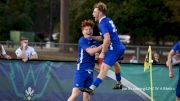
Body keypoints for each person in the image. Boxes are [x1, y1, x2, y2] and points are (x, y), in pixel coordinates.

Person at [80, 2, 125, 95]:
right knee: (116, 64)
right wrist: (91, 37)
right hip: (118, 47)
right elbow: (103, 38)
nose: (93, 13)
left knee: (103, 68)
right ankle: (119, 83)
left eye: (94, 11)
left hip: (114, 49)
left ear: (100, 12)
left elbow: (107, 39)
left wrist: (103, 53)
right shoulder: (107, 20)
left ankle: (91, 88)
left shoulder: (102, 23)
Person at [67, 20, 102, 101]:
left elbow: (103, 49)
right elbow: (91, 51)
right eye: (86, 29)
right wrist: (104, 45)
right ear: (83, 32)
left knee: (87, 97)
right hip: (81, 70)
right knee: (75, 94)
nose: (88, 31)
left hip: (90, 71)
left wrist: (108, 44)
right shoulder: (82, 40)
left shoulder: (95, 41)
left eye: (90, 29)